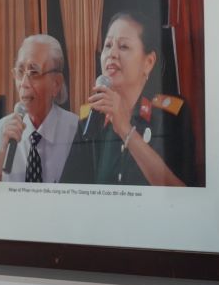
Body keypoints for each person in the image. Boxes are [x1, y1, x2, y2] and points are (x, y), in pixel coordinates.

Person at [60, 12, 195, 186]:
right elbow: (72, 188)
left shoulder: (170, 115)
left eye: (123, 46)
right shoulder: (90, 117)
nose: (112, 53)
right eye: (108, 45)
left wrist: (124, 128)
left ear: (149, 62)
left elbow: (184, 192)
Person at [0, 35, 77, 183]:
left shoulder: (75, 130)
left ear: (56, 84)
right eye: (20, 72)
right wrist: (2, 151)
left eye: (34, 72)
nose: (23, 83)